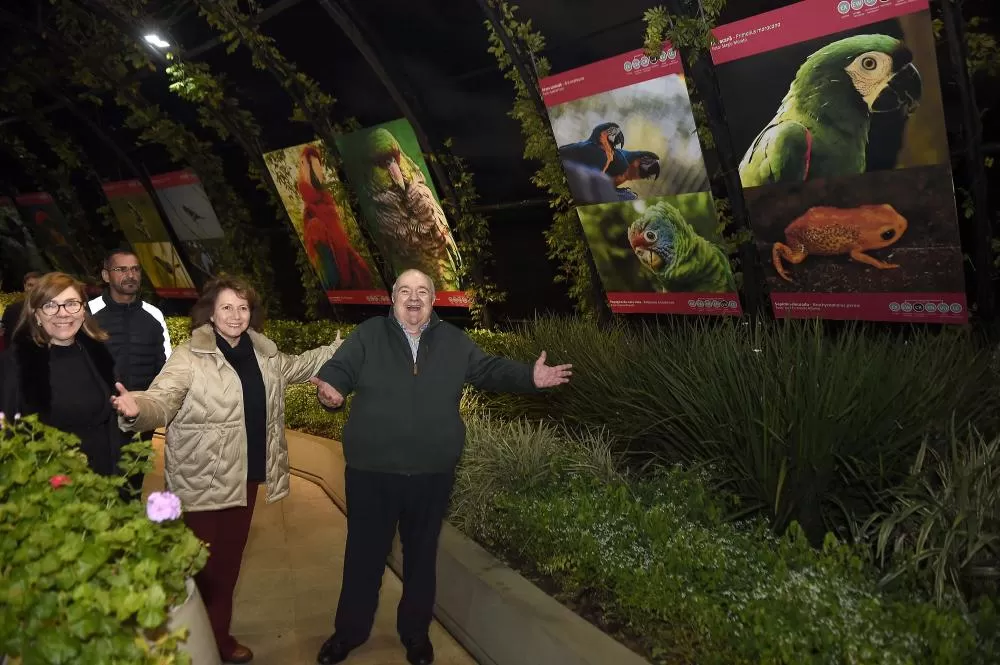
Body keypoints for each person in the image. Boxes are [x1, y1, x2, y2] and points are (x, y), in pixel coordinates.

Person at [312, 269, 572, 665]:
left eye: (422, 291)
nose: (413, 298)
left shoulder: (453, 340)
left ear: (433, 300)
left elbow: (488, 369)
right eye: (405, 291)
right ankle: (348, 633)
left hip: (431, 474)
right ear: (393, 299)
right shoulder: (369, 335)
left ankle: (415, 635)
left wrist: (529, 376)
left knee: (421, 558)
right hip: (371, 473)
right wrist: (330, 392)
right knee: (364, 557)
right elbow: (340, 370)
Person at [109, 275, 342, 665]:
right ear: (211, 314)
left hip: (245, 476)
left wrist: (342, 348)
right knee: (200, 567)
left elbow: (301, 366)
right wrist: (137, 409)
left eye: (243, 307)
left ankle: (216, 639)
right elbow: (161, 400)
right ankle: (185, 642)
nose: (235, 315)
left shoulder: (264, 354)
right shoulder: (189, 357)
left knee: (228, 564)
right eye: (227, 307)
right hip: (200, 479)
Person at [0, 272, 129, 479]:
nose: (63, 313)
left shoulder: (99, 356)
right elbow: (7, 435)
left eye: (71, 304)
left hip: (100, 481)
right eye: (50, 305)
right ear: (36, 314)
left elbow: (111, 425)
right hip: (44, 484)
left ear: (83, 310)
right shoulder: (16, 364)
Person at [89, 249, 172, 499]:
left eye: (135, 269)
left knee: (132, 485)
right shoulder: (87, 312)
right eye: (121, 269)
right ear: (106, 275)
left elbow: (165, 367)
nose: (130, 275)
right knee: (97, 485)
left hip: (139, 418)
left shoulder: (154, 316)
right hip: (98, 418)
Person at [1, 271, 42, 342]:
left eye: (37, 286)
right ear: (25, 286)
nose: (33, 289)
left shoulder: (48, 310)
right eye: (30, 285)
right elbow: (6, 336)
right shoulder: (12, 309)